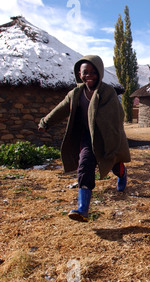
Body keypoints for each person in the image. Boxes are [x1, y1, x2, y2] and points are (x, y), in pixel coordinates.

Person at [38, 55, 131, 223]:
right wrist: (46, 122)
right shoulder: (75, 93)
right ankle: (83, 209)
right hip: (87, 138)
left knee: (113, 163)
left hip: (107, 136)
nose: (89, 75)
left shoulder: (107, 92)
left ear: (99, 72)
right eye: (85, 72)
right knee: (84, 166)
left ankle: (122, 173)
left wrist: (111, 135)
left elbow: (118, 115)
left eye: (93, 72)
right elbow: (61, 109)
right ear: (79, 74)